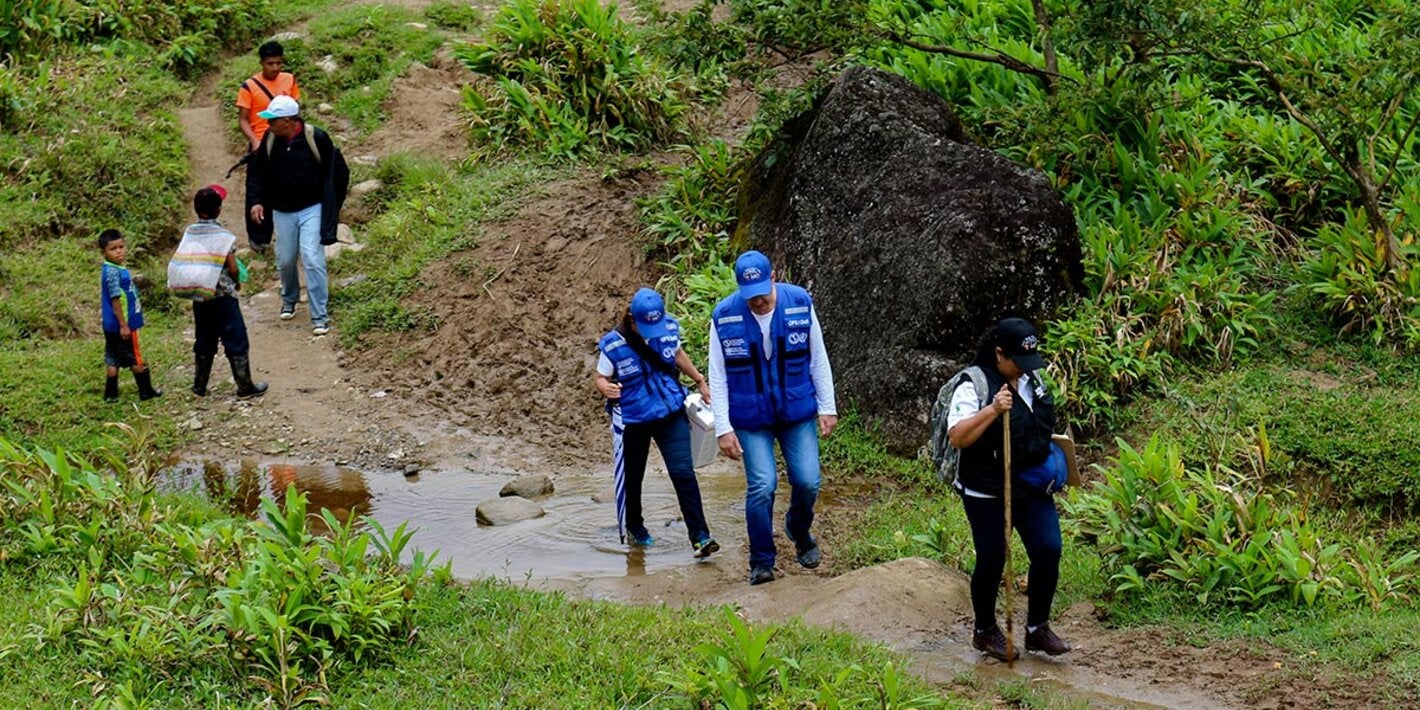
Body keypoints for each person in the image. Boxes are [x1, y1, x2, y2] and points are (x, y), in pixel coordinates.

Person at [708, 250, 837, 586]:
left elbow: (817, 358)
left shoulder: (800, 302)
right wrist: (723, 428)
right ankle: (762, 560)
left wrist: (828, 406)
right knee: (763, 485)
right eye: (751, 297)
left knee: (808, 481)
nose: (759, 302)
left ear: (774, 277)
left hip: (796, 410)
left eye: (764, 294)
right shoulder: (723, 316)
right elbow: (718, 377)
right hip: (751, 417)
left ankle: (798, 528)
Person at [946, 317, 1070, 661]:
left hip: (1029, 485)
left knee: (1048, 548)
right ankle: (985, 631)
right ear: (999, 353)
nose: (1024, 370)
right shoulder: (974, 384)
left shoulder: (1033, 380)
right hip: (986, 489)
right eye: (1017, 361)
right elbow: (958, 436)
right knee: (993, 557)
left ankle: (1036, 629)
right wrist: (992, 410)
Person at [595, 288, 720, 558]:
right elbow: (600, 377)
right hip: (633, 418)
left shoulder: (669, 328)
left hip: (669, 412)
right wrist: (606, 388)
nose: (653, 331)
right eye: (647, 326)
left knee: (683, 473)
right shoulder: (614, 344)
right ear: (633, 320)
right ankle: (635, 527)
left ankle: (700, 536)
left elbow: (677, 355)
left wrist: (699, 380)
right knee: (634, 476)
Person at [246, 95, 349, 337]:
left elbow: (337, 170)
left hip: (312, 208)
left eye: (273, 120)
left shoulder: (317, 138)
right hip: (282, 211)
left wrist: (333, 206)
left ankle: (319, 316)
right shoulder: (270, 140)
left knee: (312, 259)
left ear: (289, 121)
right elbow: (257, 174)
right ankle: (289, 298)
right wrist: (257, 201)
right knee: (285, 259)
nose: (269, 125)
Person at [170, 185, 268, 399]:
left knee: (204, 339)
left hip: (201, 296)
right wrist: (237, 282)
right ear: (219, 210)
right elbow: (232, 267)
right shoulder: (224, 237)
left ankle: (199, 385)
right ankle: (244, 386)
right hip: (223, 297)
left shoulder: (190, 232)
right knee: (236, 339)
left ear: (196, 209)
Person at [236, 40, 301, 253]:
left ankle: (293, 233)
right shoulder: (249, 86)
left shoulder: (289, 79)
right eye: (270, 63)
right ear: (262, 63)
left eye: (278, 63)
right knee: (257, 190)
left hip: (284, 140)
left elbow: (295, 110)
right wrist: (254, 141)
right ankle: (259, 239)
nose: (275, 68)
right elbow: (243, 119)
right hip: (261, 143)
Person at [99, 229, 161, 403]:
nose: (119, 251)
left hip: (110, 325)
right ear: (104, 252)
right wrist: (124, 325)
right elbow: (115, 299)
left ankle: (111, 394)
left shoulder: (113, 268)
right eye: (113, 249)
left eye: (121, 247)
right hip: (122, 325)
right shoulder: (113, 272)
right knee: (134, 357)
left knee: (112, 358)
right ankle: (145, 391)